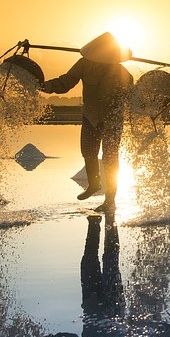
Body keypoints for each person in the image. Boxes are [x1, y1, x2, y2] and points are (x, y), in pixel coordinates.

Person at [41, 32, 134, 211]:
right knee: (88, 152)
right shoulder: (84, 64)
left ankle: (110, 201)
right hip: (91, 115)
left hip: (112, 118)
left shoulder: (121, 72)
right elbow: (65, 82)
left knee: (110, 158)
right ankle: (94, 184)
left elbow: (132, 95)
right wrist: (45, 86)